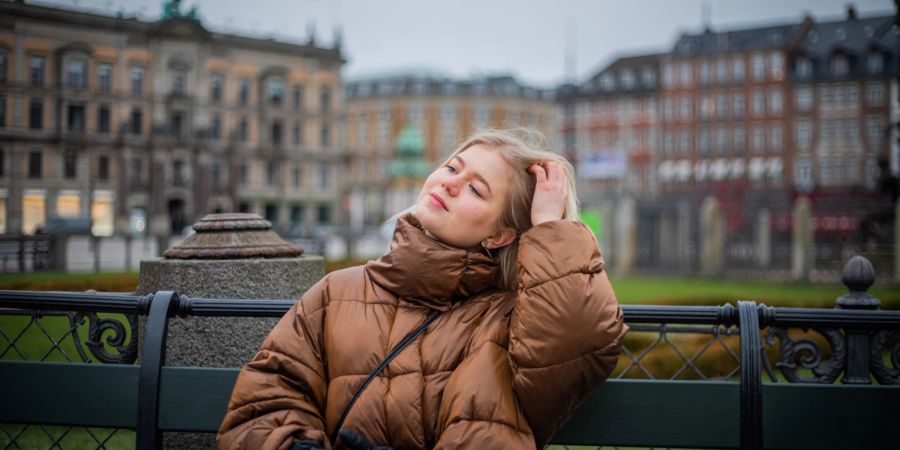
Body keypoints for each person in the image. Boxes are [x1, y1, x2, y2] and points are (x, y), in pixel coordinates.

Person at [217, 129, 628, 450]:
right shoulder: (334, 293)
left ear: (501, 235)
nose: (451, 183)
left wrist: (550, 229)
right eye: (452, 168)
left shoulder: (511, 321)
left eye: (475, 188)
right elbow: (264, 403)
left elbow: (579, 338)